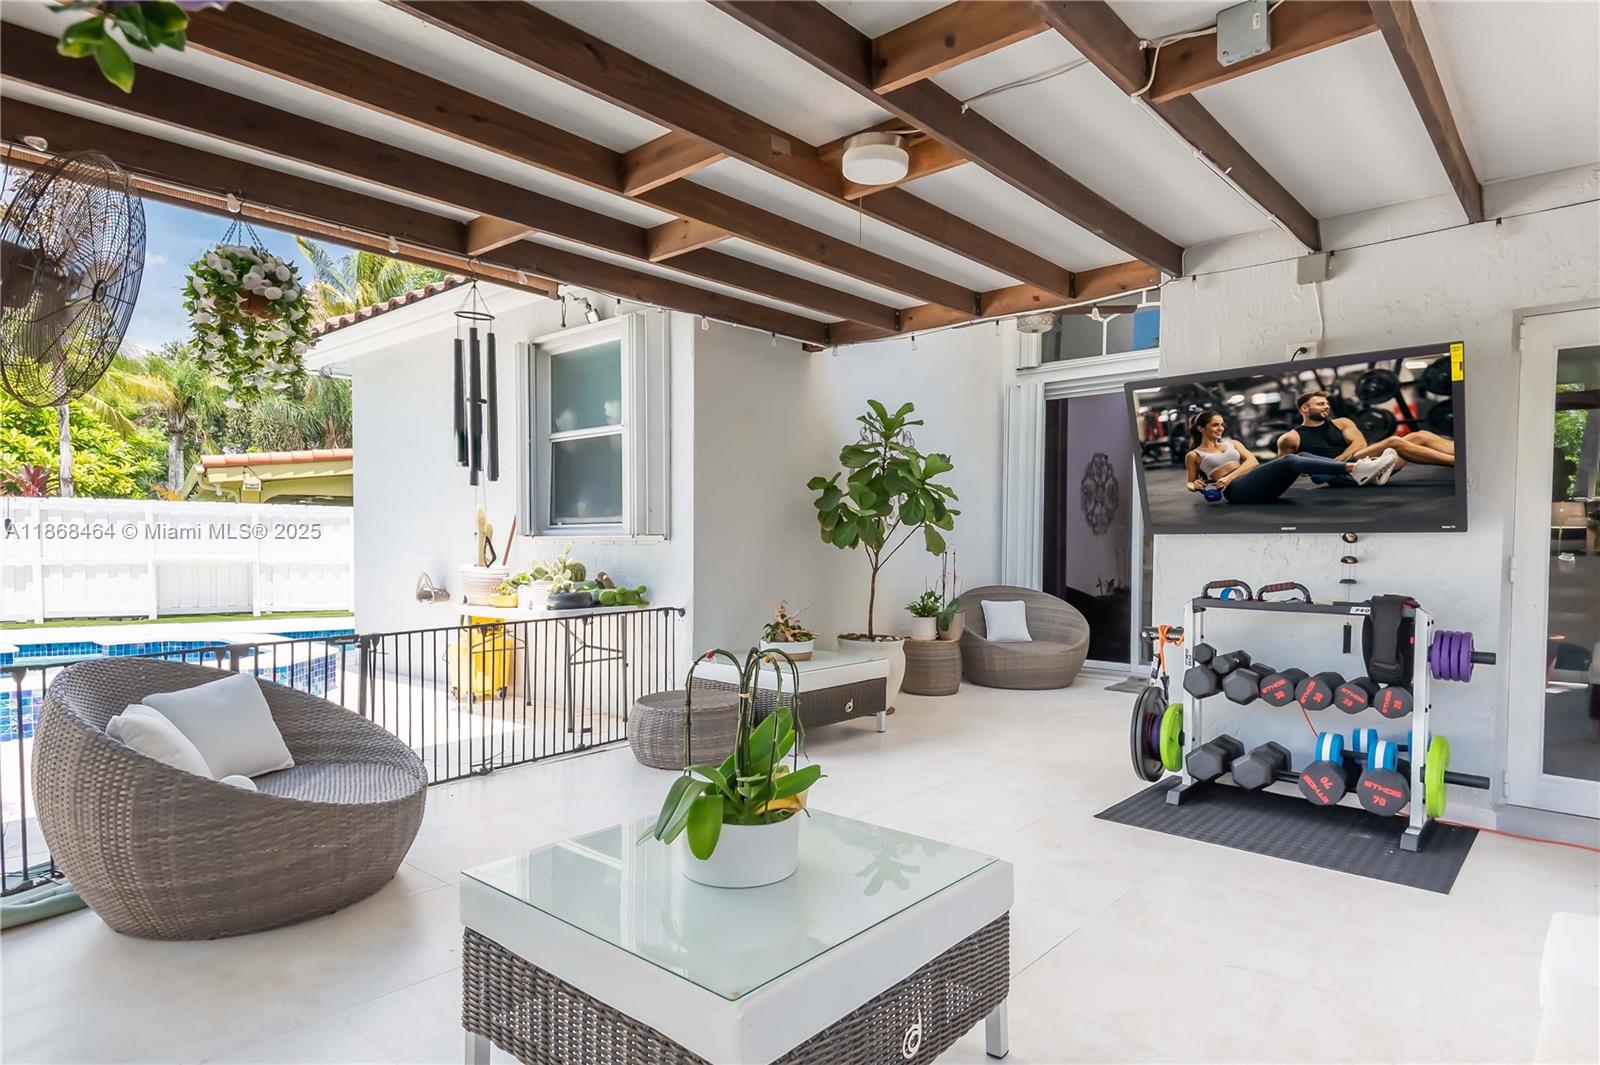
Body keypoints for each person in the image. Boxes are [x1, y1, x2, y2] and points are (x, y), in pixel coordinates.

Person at [1185, 409, 1395, 505]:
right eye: (1215, 425)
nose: (1221, 428)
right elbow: (1191, 483)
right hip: (1236, 492)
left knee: (1301, 455)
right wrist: (1198, 486)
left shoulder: (1233, 443)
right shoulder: (1194, 455)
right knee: (1289, 460)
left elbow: (1253, 462)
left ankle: (1356, 470)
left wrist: (1228, 476)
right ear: (1202, 428)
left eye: (1222, 424)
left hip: (1248, 481)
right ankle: (1357, 469)